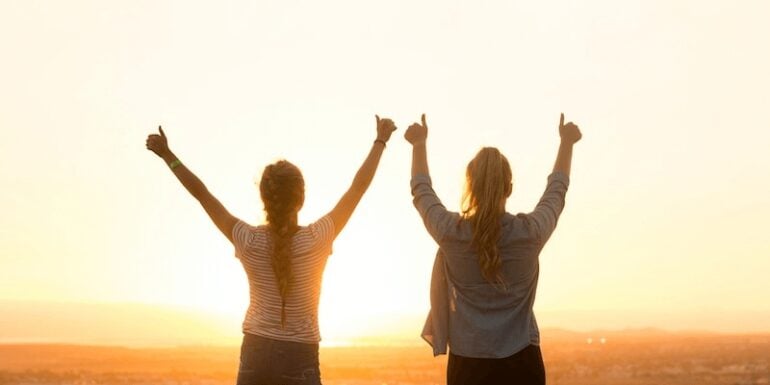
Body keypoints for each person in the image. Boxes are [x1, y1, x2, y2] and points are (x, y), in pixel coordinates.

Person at [145, 116, 397, 385]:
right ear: (301, 199)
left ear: (264, 197)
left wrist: (167, 155)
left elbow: (202, 194)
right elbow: (358, 188)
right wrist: (380, 141)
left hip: (255, 352)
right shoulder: (317, 239)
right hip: (299, 355)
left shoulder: (248, 240)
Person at [405, 113, 581, 385]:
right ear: (509, 188)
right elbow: (556, 192)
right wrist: (567, 142)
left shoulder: (451, 233)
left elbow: (421, 191)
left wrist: (418, 143)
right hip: (522, 363)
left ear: (470, 186)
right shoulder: (530, 234)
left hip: (467, 367)